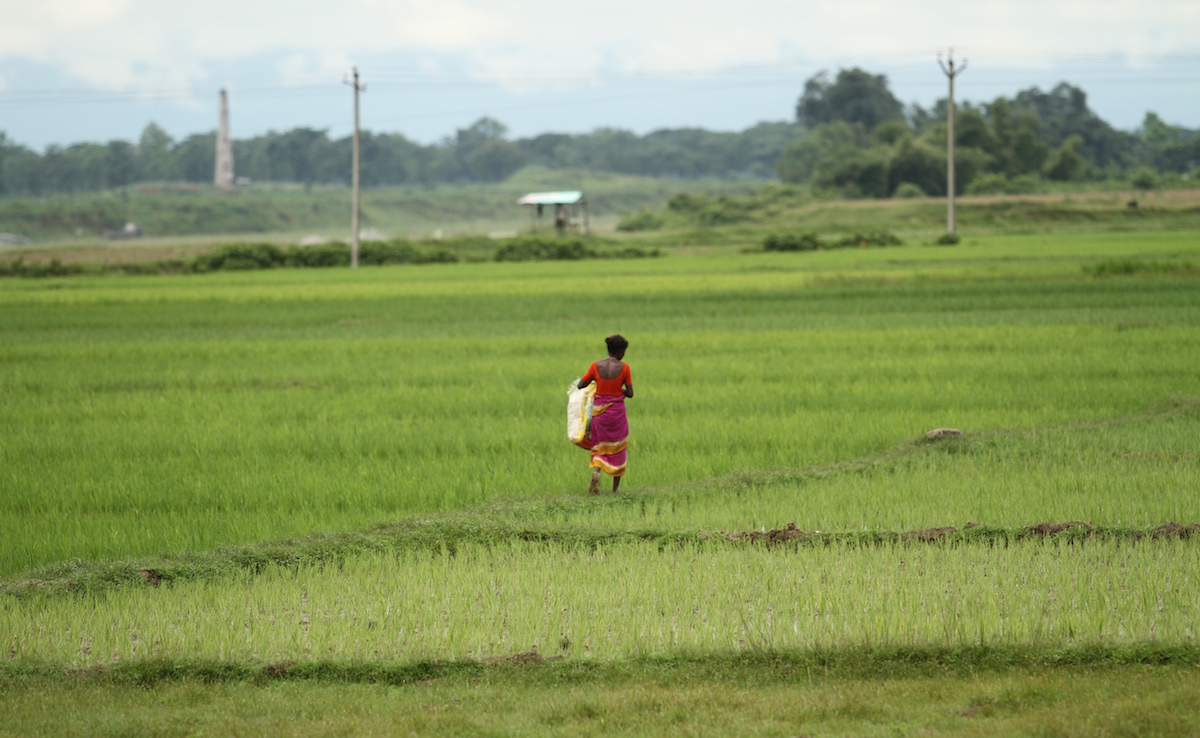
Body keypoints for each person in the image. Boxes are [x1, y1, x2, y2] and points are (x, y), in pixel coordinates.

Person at [577, 335, 634, 493]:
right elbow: (630, 393)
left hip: (599, 413)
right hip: (616, 413)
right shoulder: (625, 368)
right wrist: (616, 389)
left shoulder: (596, 366)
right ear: (621, 352)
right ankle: (614, 491)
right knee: (618, 447)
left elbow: (581, 384)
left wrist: (598, 385)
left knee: (599, 446)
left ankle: (596, 472)